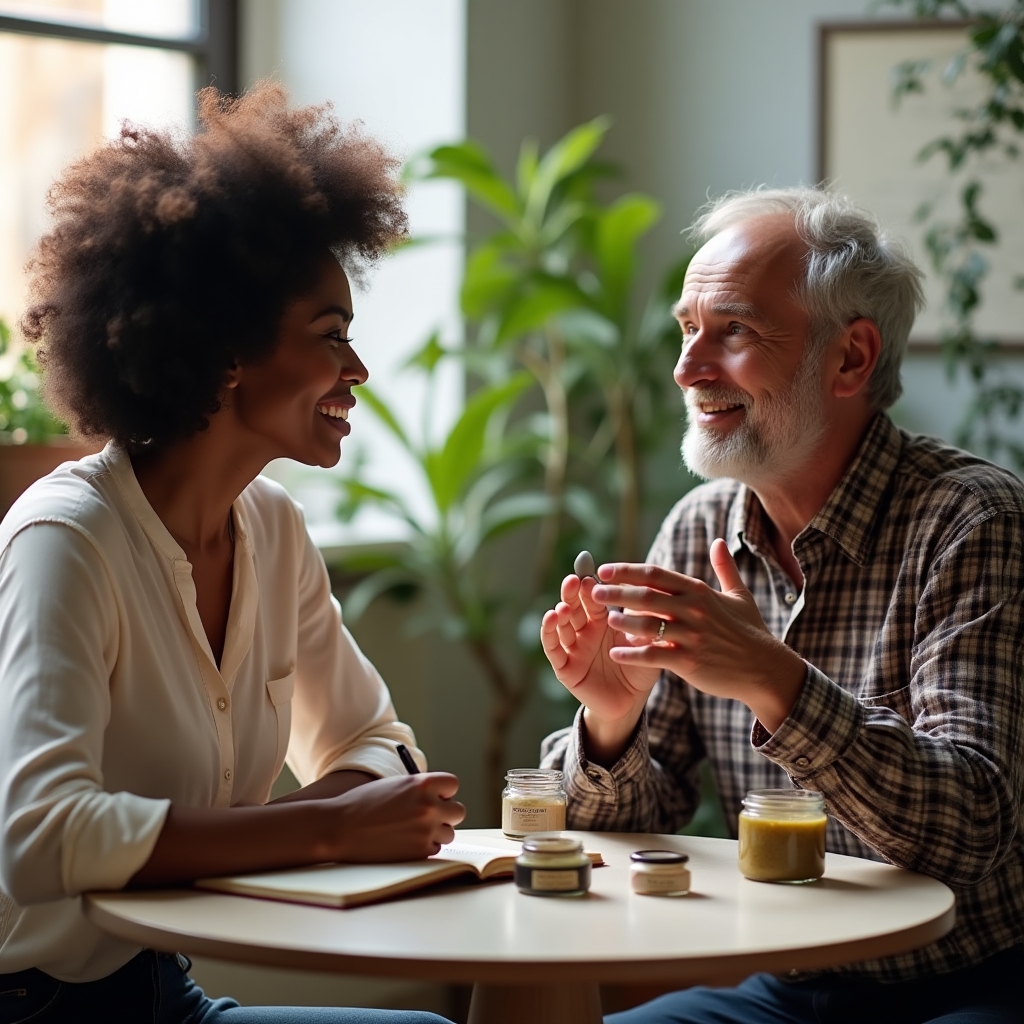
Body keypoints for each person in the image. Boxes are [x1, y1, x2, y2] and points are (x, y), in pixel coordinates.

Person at [0, 84, 463, 1024]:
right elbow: (41, 836)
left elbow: (380, 746)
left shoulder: (275, 528)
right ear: (223, 353)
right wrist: (325, 830)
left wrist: (325, 816)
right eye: (331, 337)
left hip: (161, 993)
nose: (358, 370)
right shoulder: (67, 541)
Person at [539, 187, 1024, 1024]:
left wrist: (775, 679)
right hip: (787, 989)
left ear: (850, 359)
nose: (688, 369)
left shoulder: (974, 521)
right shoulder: (697, 531)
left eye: (733, 331)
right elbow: (610, 825)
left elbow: (970, 827)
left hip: (975, 983)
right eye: (687, 329)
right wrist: (611, 728)